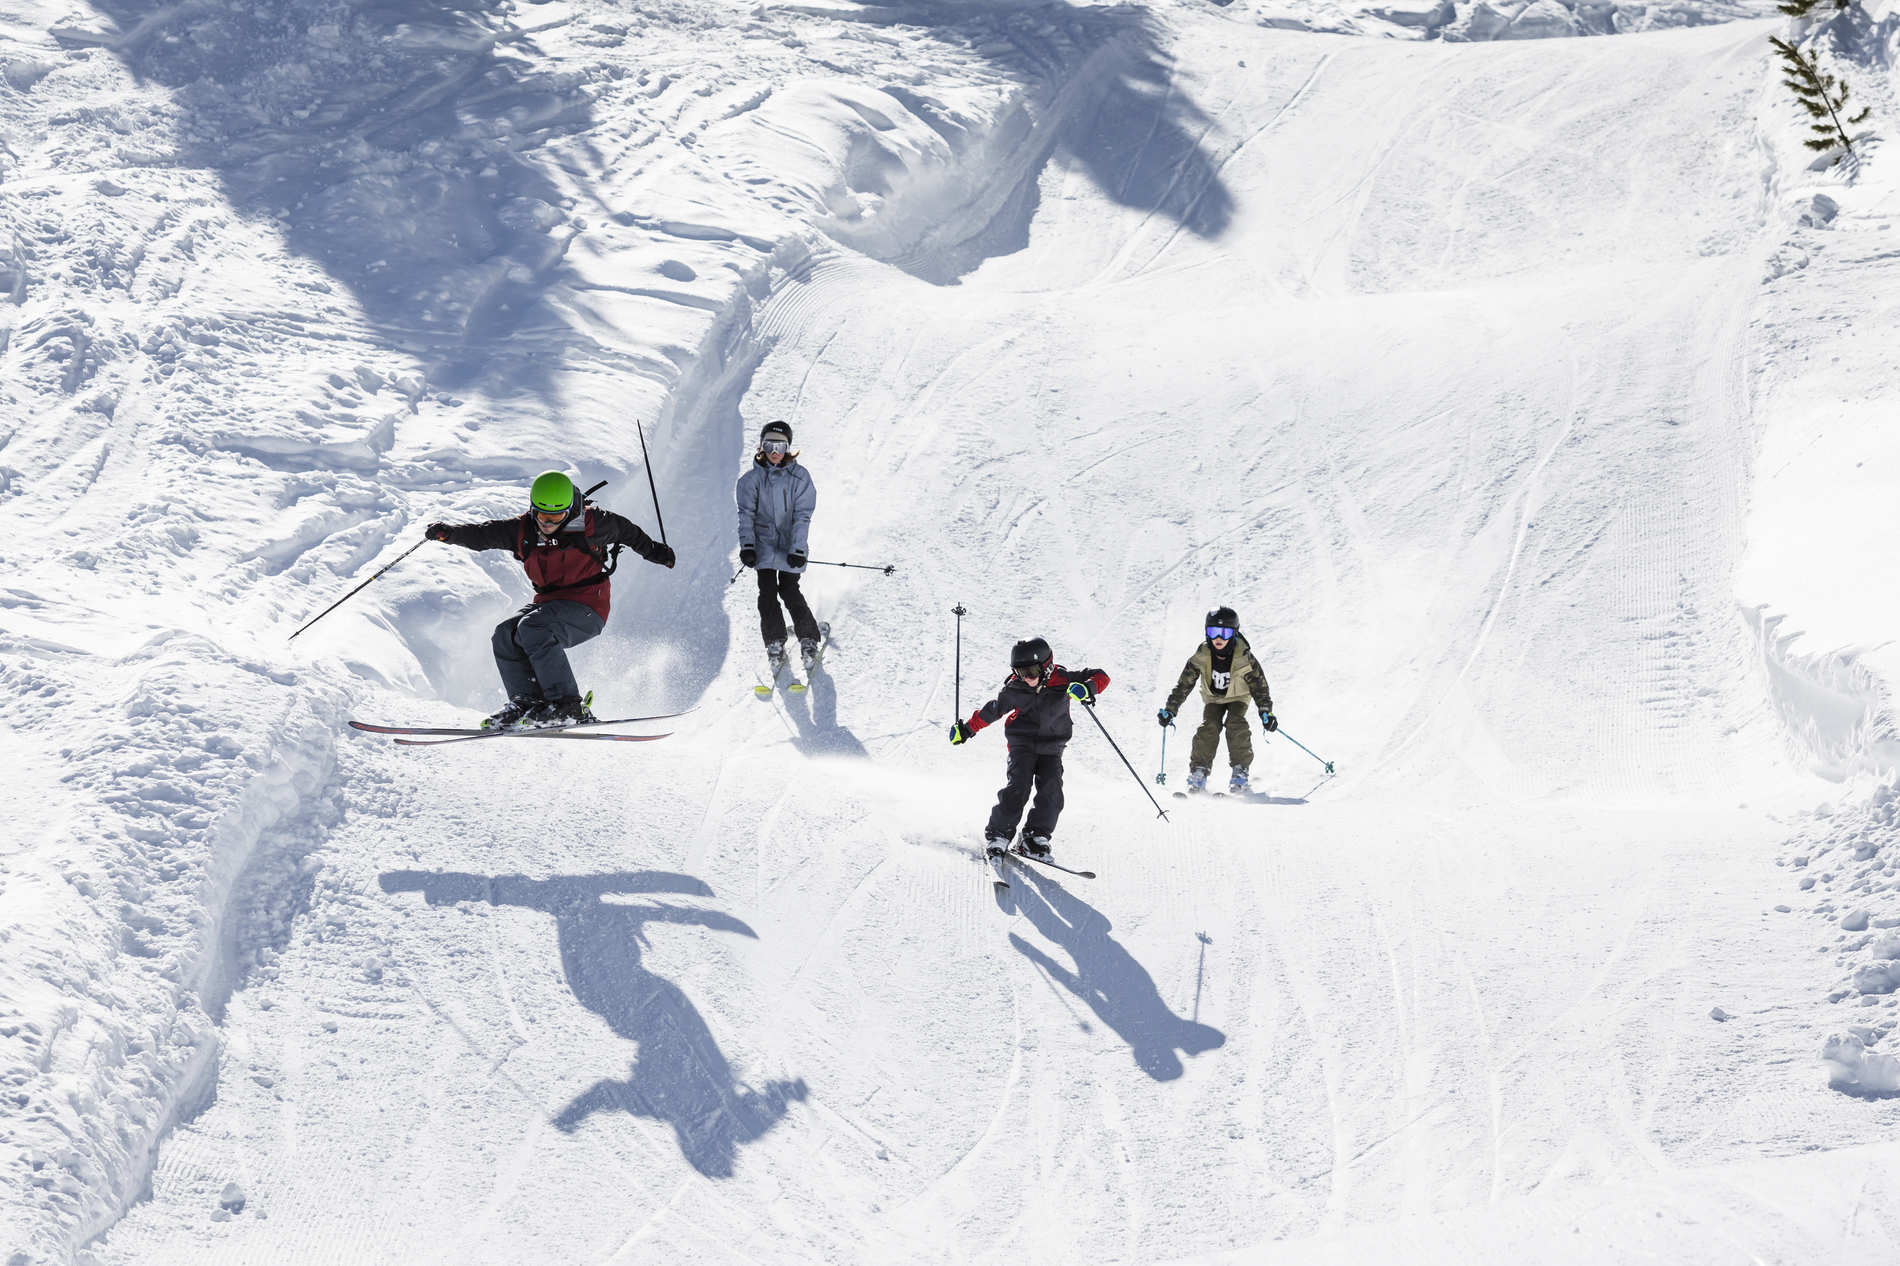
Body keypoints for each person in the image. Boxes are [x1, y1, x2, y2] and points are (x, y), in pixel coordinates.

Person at [426, 470, 675, 728]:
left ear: (568, 511)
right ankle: (527, 701)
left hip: (588, 606)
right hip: (549, 604)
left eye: (556, 516)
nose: (547, 523)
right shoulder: (523, 530)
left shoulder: (592, 524)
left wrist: (656, 552)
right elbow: (484, 535)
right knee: (505, 634)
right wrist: (450, 534)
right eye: (543, 515)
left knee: (532, 627)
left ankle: (567, 706)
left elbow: (628, 532)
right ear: (534, 509)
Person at [949, 637, 1111, 858]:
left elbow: (1102, 676)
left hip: (1053, 746)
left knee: (1052, 790)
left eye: (1032, 672)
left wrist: (1087, 687)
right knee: (1019, 786)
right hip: (1022, 744)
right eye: (1020, 672)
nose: (1026, 678)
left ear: (1046, 666)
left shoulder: (1063, 680)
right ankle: (999, 834)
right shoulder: (1015, 689)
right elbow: (993, 711)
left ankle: (1034, 836)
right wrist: (967, 729)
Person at [735, 420, 822, 676]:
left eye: (780, 446)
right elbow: (746, 515)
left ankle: (808, 637)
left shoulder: (800, 477)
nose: (775, 451)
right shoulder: (749, 481)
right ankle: (775, 640)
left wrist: (797, 548)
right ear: (761, 447)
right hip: (762, 547)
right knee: (767, 593)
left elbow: (803, 515)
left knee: (789, 589)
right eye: (769, 445)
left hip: (789, 548)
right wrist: (748, 546)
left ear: (788, 448)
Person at [1158, 606, 1276, 793]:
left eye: (1225, 632)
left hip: (1238, 697)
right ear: (1206, 632)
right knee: (1209, 726)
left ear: (1234, 634)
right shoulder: (1202, 655)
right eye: (1213, 632)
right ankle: (1199, 771)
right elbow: (1184, 684)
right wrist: (1171, 709)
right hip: (1213, 698)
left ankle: (1240, 771)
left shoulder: (1244, 657)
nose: (1218, 638)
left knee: (1235, 723)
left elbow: (1260, 687)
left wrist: (1265, 712)